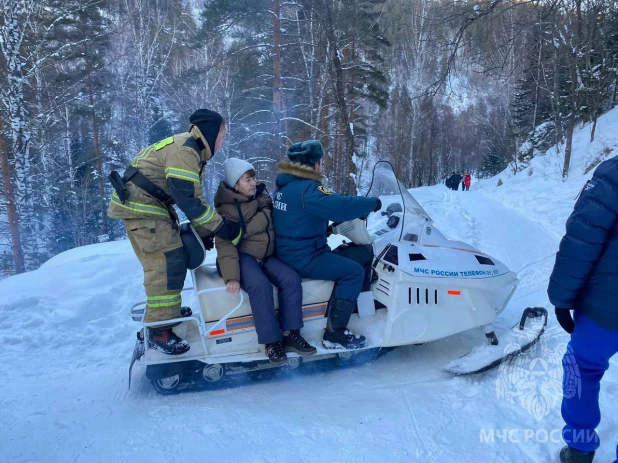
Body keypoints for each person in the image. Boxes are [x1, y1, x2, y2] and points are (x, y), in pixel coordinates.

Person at [108, 109, 243, 356]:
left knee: (172, 261)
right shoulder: (185, 151)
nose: (223, 142)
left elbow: (194, 197)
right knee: (166, 266)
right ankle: (159, 330)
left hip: (151, 208)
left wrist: (205, 231)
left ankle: (165, 315)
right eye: (223, 136)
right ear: (211, 133)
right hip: (144, 210)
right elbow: (188, 200)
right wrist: (221, 228)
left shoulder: (190, 148)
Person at [272, 140, 381, 350]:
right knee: (354, 272)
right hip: (304, 257)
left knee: (355, 254)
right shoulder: (308, 189)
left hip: (289, 251)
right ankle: (335, 334)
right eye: (320, 162)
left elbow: (296, 220)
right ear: (314, 165)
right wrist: (372, 203)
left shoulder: (284, 187)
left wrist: (325, 229)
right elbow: (339, 205)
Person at [547, 157, 618, 463]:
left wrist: (562, 298)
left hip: (607, 306)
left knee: (583, 369)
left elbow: (582, 238)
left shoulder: (614, 175)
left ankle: (579, 449)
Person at [215, 158, 316, 365]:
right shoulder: (227, 210)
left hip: (268, 255)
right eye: (246, 180)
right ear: (235, 184)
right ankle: (272, 342)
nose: (253, 183)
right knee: (260, 285)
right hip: (243, 256)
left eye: (253, 178)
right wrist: (232, 277)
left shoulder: (263, 196)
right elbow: (224, 244)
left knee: (290, 278)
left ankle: (290, 333)